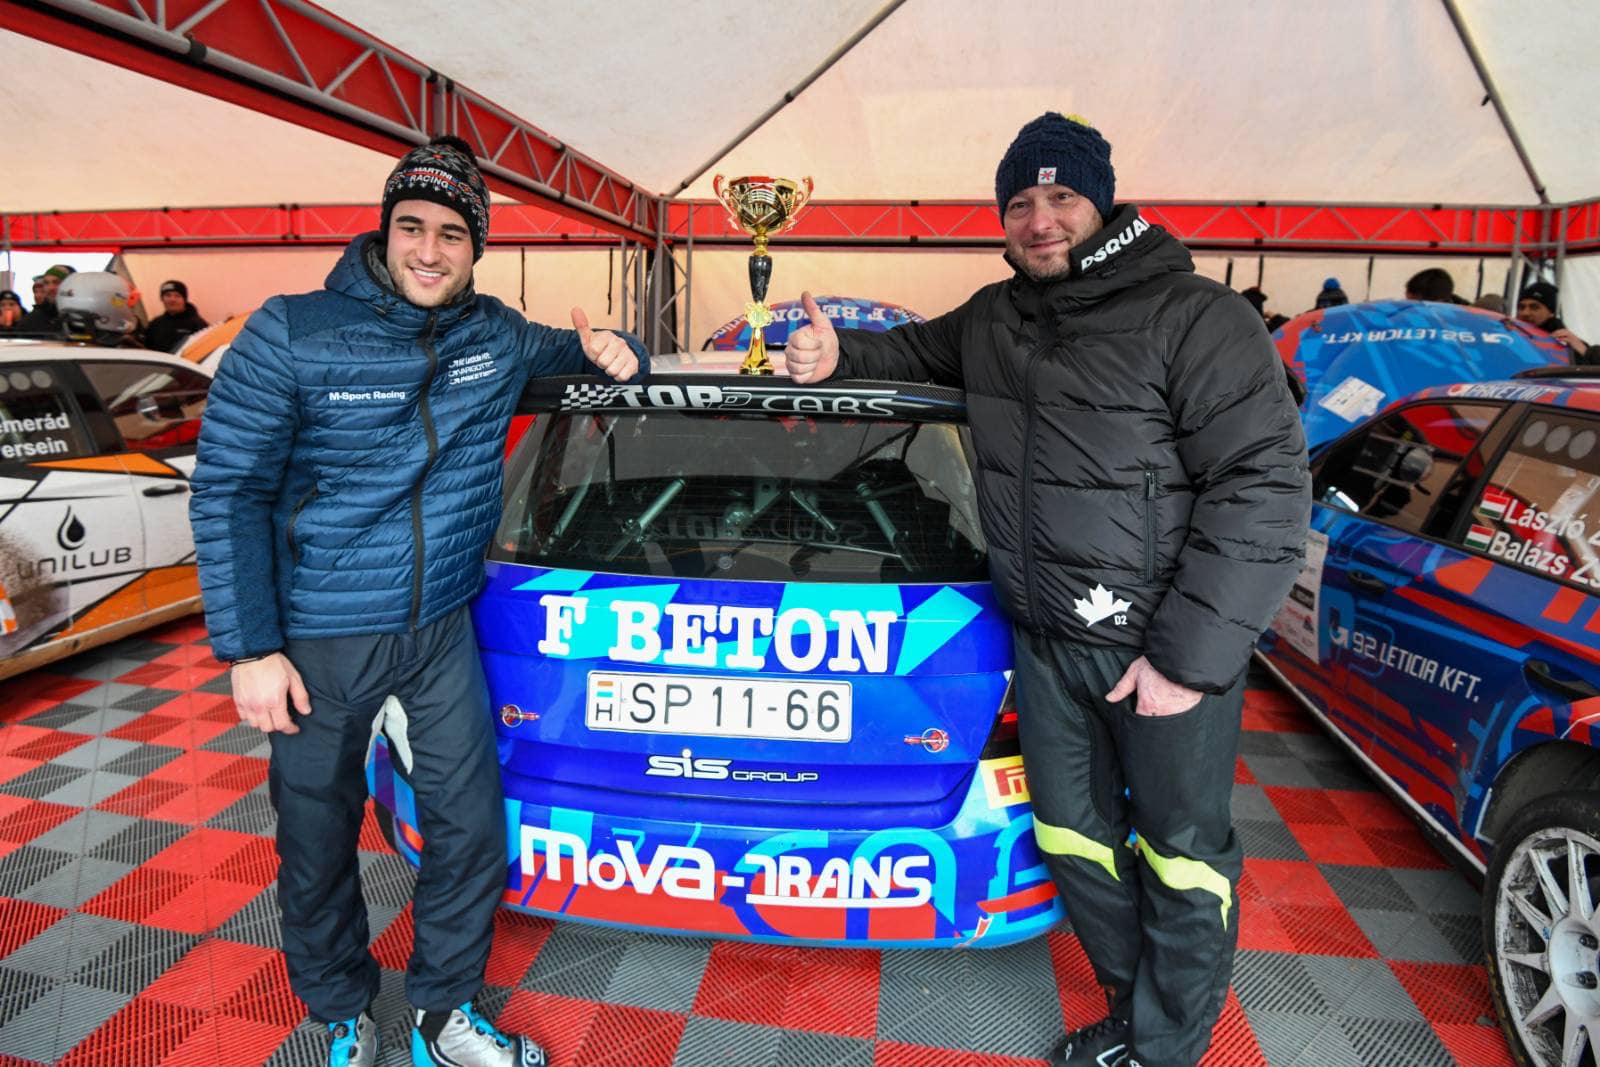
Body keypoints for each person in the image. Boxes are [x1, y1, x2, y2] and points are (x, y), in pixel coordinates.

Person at [788, 112, 1309, 1067]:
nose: (1039, 220)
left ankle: (1166, 1049)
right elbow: (908, 355)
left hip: (1161, 647)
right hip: (1045, 640)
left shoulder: (1197, 316)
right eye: (1020, 203)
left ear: (1101, 201)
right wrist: (836, 355)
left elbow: (1266, 488)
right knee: (1072, 836)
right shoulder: (995, 317)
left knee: (1183, 856)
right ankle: (1132, 1014)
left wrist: (1184, 661)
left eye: (1061, 196)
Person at [189, 135, 646, 1067]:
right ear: (385, 229)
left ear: (477, 247)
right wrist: (250, 649)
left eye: (451, 233)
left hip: (438, 630)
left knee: (469, 828)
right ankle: (341, 1011)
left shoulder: (496, 335)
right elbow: (228, 489)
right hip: (316, 635)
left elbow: (594, 354)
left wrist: (622, 346)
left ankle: (446, 1015)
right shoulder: (291, 330)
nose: (429, 251)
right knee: (316, 837)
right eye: (412, 227)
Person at [1517, 281, 1592, 363]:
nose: (1525, 313)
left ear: (1551, 313)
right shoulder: (1511, 336)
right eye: (1521, 307)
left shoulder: (1570, 345)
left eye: (1534, 307)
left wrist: (1586, 353)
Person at [143, 279, 210, 353]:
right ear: (162, 299)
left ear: (184, 299)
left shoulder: (198, 325)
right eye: (168, 295)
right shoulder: (154, 324)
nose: (172, 299)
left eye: (177, 296)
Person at [12, 264, 75, 335]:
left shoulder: (79, 317)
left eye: (56, 282)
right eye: (46, 283)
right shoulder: (30, 321)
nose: (51, 288)